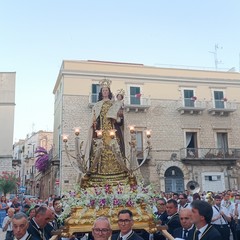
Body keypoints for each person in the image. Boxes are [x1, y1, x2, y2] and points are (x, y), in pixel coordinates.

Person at [85, 79, 129, 183]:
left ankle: (119, 173)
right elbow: (94, 118)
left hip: (113, 131)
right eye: (103, 90)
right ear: (101, 92)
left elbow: (119, 119)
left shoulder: (114, 103)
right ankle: (97, 173)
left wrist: (119, 116)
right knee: (98, 150)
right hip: (100, 132)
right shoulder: (97, 105)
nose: (105, 92)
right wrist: (94, 124)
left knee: (116, 149)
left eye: (107, 90)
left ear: (109, 92)